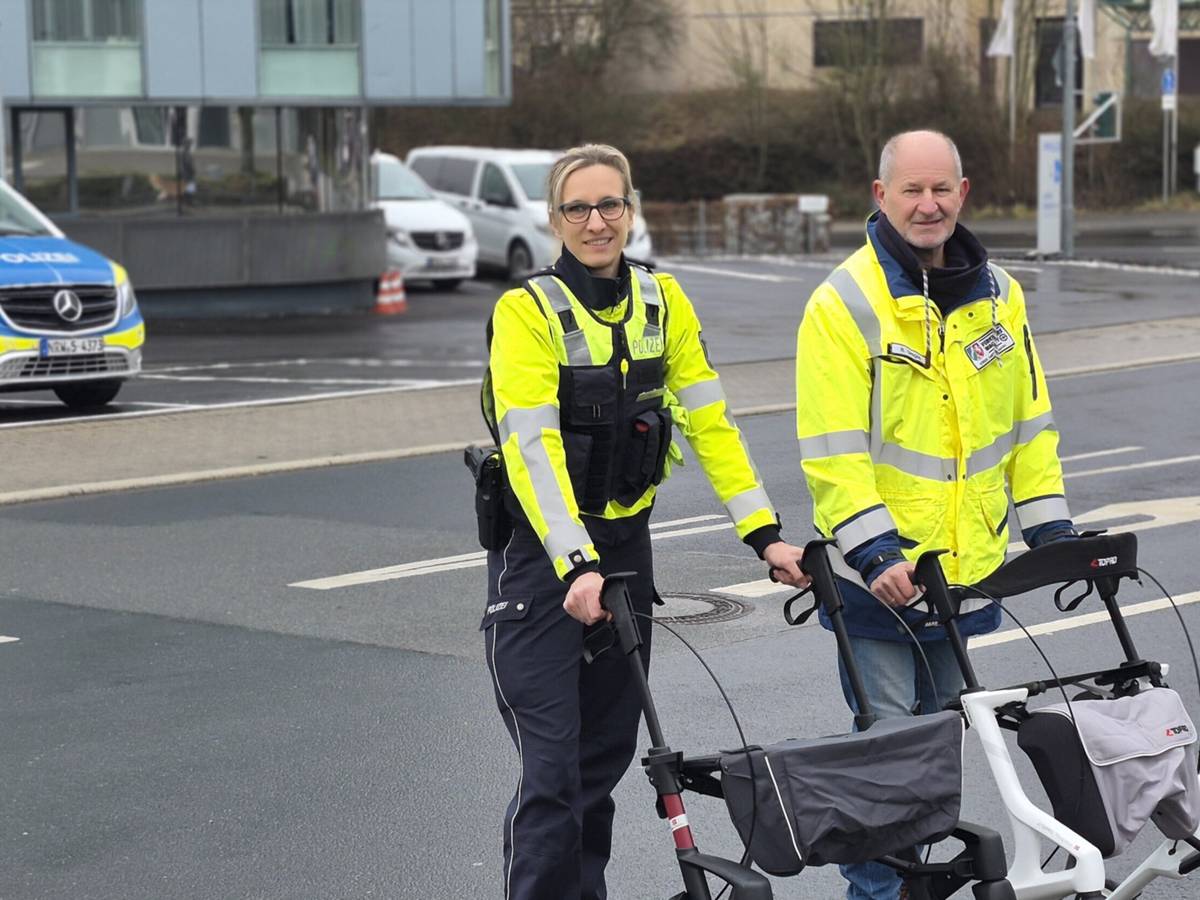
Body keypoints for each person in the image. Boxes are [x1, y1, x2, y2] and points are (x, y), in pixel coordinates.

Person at [480, 143, 808, 900]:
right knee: (553, 774)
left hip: (625, 554)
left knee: (599, 766)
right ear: (555, 218)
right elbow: (532, 448)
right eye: (578, 208)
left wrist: (764, 534)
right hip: (544, 565)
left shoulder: (664, 300)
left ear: (631, 209)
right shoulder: (525, 312)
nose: (596, 222)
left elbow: (710, 423)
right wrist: (573, 561)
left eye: (610, 205)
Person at [795, 130, 1077, 900]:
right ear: (880, 198)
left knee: (939, 746)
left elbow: (1028, 426)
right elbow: (832, 449)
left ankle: (916, 886)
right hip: (877, 580)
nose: (929, 205)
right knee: (889, 754)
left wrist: (1052, 535)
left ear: (964, 193)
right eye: (911, 191)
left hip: (966, 576)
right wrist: (875, 551)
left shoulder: (1000, 296)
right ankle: (878, 895)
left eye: (941, 189)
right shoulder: (844, 302)